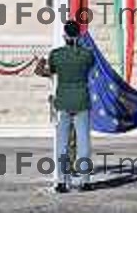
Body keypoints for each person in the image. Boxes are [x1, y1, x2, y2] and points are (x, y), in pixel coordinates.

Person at [35, 20, 95, 194]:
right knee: (84, 143)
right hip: (82, 101)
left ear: (64, 35)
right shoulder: (87, 54)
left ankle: (62, 181)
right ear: (79, 35)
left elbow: (49, 71)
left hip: (63, 102)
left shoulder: (57, 54)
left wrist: (40, 63)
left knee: (62, 144)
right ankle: (85, 181)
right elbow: (88, 68)